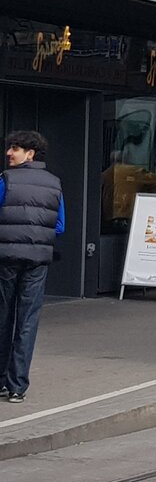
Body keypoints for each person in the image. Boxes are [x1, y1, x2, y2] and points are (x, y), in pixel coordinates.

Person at [0, 131, 65, 404]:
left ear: (30, 153)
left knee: (3, 317)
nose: (8, 153)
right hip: (38, 260)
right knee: (28, 321)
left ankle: (1, 380)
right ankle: (18, 386)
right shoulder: (55, 184)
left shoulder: (5, 180)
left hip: (6, 259)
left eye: (14, 148)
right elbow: (60, 226)